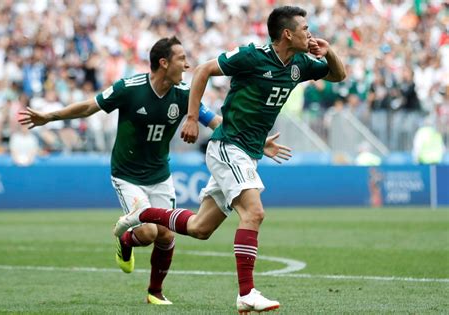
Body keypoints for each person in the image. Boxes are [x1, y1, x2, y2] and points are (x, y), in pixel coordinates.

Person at [19, 36, 291, 306]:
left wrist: (252, 140)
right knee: (148, 232)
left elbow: (213, 121)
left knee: (167, 235)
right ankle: (127, 240)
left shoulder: (184, 94)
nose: (186, 65)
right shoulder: (130, 88)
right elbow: (91, 106)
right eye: (181, 59)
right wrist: (49, 117)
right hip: (127, 175)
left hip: (160, 174)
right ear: (163, 62)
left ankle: (155, 292)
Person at [114, 6, 346, 313]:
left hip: (248, 152)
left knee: (200, 228)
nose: (310, 33)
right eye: (305, 28)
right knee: (254, 212)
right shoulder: (253, 56)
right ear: (288, 33)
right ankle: (246, 292)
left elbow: (338, 75)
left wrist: (328, 53)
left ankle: (143, 214)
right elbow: (203, 70)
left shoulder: (300, 64)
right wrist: (193, 117)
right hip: (228, 146)